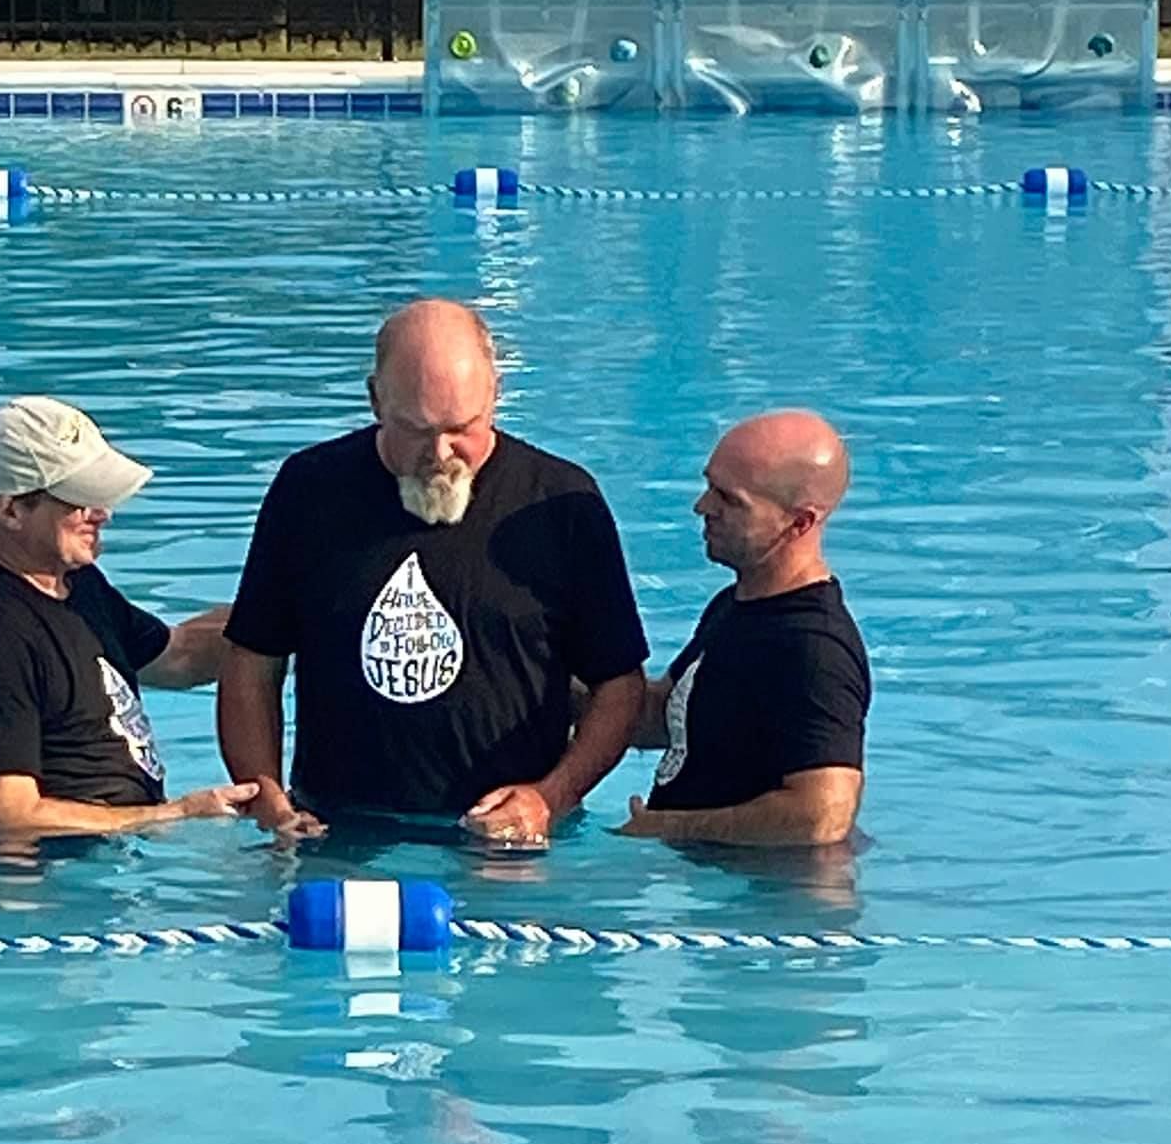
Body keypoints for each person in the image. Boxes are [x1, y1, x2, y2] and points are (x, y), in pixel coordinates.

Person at [217, 299, 648, 844]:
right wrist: (264, 793)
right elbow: (253, 660)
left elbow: (618, 684)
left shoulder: (561, 503)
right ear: (375, 399)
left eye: (459, 427)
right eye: (415, 430)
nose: (441, 452)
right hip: (339, 827)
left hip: (508, 842)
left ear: (495, 393)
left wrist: (550, 798)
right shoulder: (310, 490)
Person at [0, 396, 255, 835]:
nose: (102, 513)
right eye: (79, 499)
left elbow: (178, 655)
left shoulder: (75, 584)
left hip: (111, 851)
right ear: (11, 510)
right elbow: (6, 817)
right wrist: (173, 814)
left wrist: (291, 614)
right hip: (49, 877)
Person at [616, 411, 870, 849]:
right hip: (710, 886)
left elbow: (821, 817)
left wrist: (667, 828)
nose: (702, 507)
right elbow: (672, 718)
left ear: (800, 523)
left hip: (764, 903)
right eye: (709, 485)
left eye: (729, 500)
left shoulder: (814, 648)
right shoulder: (738, 605)